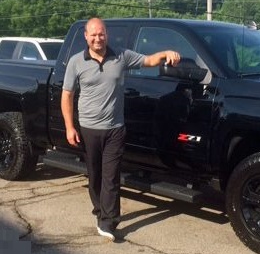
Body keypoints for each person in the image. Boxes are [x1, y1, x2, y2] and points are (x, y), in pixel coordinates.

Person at [61, 17, 180, 241]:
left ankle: (109, 220)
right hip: (88, 128)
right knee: (95, 175)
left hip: (115, 128)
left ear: (107, 34)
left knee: (111, 175)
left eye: (101, 33)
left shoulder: (122, 56)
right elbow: (67, 95)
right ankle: (100, 210)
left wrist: (166, 53)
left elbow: (149, 60)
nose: (98, 38)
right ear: (86, 36)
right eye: (93, 34)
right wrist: (69, 127)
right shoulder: (77, 62)